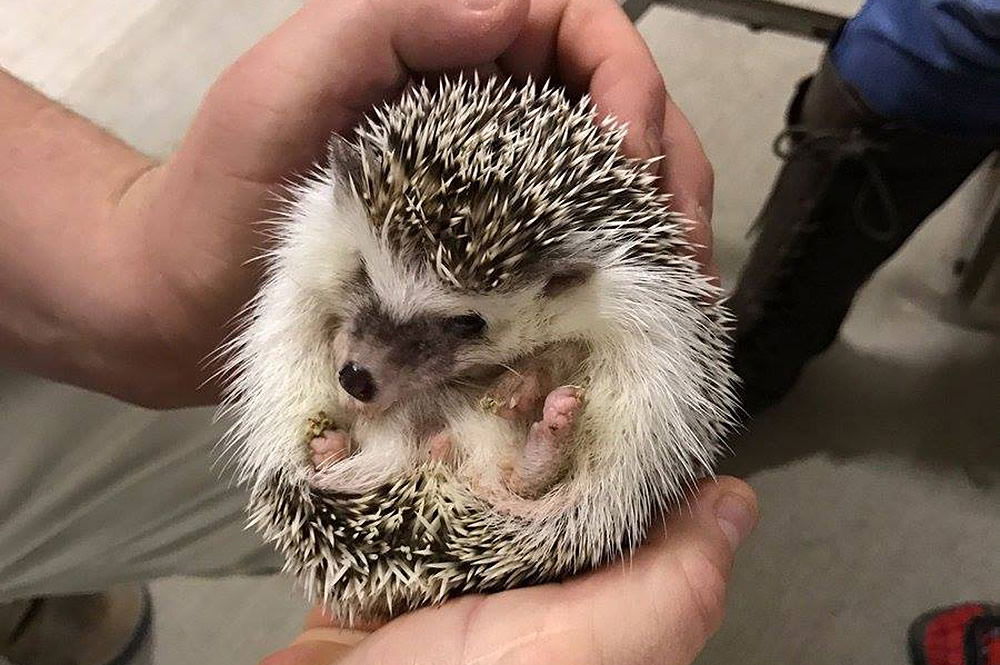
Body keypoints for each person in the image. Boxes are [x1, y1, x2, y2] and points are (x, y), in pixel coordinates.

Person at [0, 0, 757, 663]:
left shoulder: (606, 286)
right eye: (368, 280)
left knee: (616, 416)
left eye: (459, 323)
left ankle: (515, 471)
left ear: (563, 283)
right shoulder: (338, 213)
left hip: (457, 456)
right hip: (428, 452)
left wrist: (138, 262)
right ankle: (511, 465)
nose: (365, 360)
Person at [730, 0, 1000, 417]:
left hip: (938, 83)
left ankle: (755, 372)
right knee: (772, 313)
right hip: (918, 80)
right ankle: (731, 388)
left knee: (807, 295)